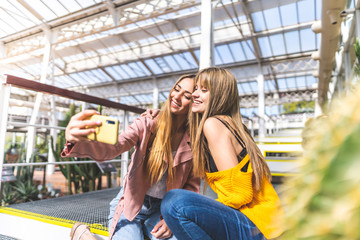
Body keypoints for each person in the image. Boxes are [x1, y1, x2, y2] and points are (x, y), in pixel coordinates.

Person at [62, 74, 200, 240]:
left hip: (163, 211)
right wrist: (74, 140)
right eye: (176, 89)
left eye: (186, 96)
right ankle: (82, 233)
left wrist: (172, 220)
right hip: (130, 206)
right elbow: (115, 147)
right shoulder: (147, 123)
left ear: (195, 102)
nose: (176, 96)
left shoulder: (195, 141)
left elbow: (191, 186)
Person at [160, 67, 284, 240]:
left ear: (220, 96)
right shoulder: (231, 124)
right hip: (269, 225)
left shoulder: (213, 124)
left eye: (204, 90)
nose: (195, 94)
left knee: (174, 203)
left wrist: (207, 209)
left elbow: (240, 194)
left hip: (258, 227)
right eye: (196, 88)